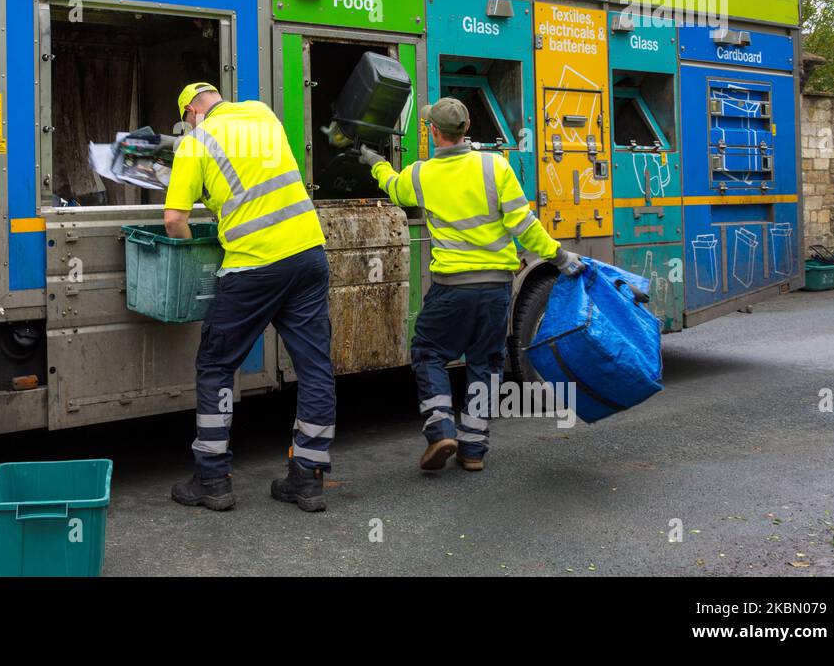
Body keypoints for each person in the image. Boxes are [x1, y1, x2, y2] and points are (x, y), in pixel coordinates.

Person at [359, 96, 584, 472]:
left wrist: (376, 163)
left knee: (428, 353)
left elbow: (395, 189)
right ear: (465, 129)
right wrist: (560, 257)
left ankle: (441, 428)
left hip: (451, 288)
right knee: (485, 363)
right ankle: (473, 451)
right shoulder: (496, 167)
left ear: (433, 132)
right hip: (496, 289)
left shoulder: (421, 174)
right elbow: (524, 226)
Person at [164, 82, 336, 512]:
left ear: (190, 112)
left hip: (253, 268)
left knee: (216, 365)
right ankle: (308, 480)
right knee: (315, 369)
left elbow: (174, 221)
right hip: (308, 256)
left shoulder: (195, 143)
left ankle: (212, 479)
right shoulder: (262, 113)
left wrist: (194, 253)